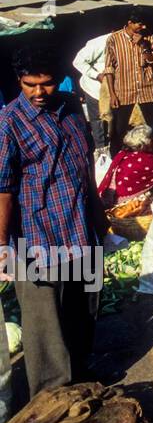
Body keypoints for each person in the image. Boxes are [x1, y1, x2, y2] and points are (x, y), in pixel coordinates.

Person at [0, 46, 105, 397]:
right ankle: (51, 396)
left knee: (84, 306)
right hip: (35, 234)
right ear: (19, 81)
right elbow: (3, 190)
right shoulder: (8, 124)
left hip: (79, 224)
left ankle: (82, 375)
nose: (38, 93)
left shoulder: (71, 106)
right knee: (44, 322)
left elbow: (84, 163)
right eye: (30, 85)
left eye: (45, 84)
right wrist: (1, 244)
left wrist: (100, 216)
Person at [102, 8, 153, 155]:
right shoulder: (114, 39)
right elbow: (109, 68)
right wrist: (112, 94)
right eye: (140, 24)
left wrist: (143, 45)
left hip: (146, 88)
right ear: (130, 23)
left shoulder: (148, 37)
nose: (143, 27)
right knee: (119, 129)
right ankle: (117, 159)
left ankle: (152, 157)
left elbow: (152, 59)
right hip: (124, 90)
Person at [97, 123, 153, 204]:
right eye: (152, 140)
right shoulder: (146, 160)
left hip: (107, 193)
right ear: (143, 144)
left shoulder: (121, 153)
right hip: (122, 198)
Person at [72, 31, 111, 152]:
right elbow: (78, 61)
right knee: (97, 119)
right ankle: (101, 148)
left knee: (114, 117)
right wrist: (96, 75)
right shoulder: (100, 42)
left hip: (115, 89)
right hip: (95, 88)